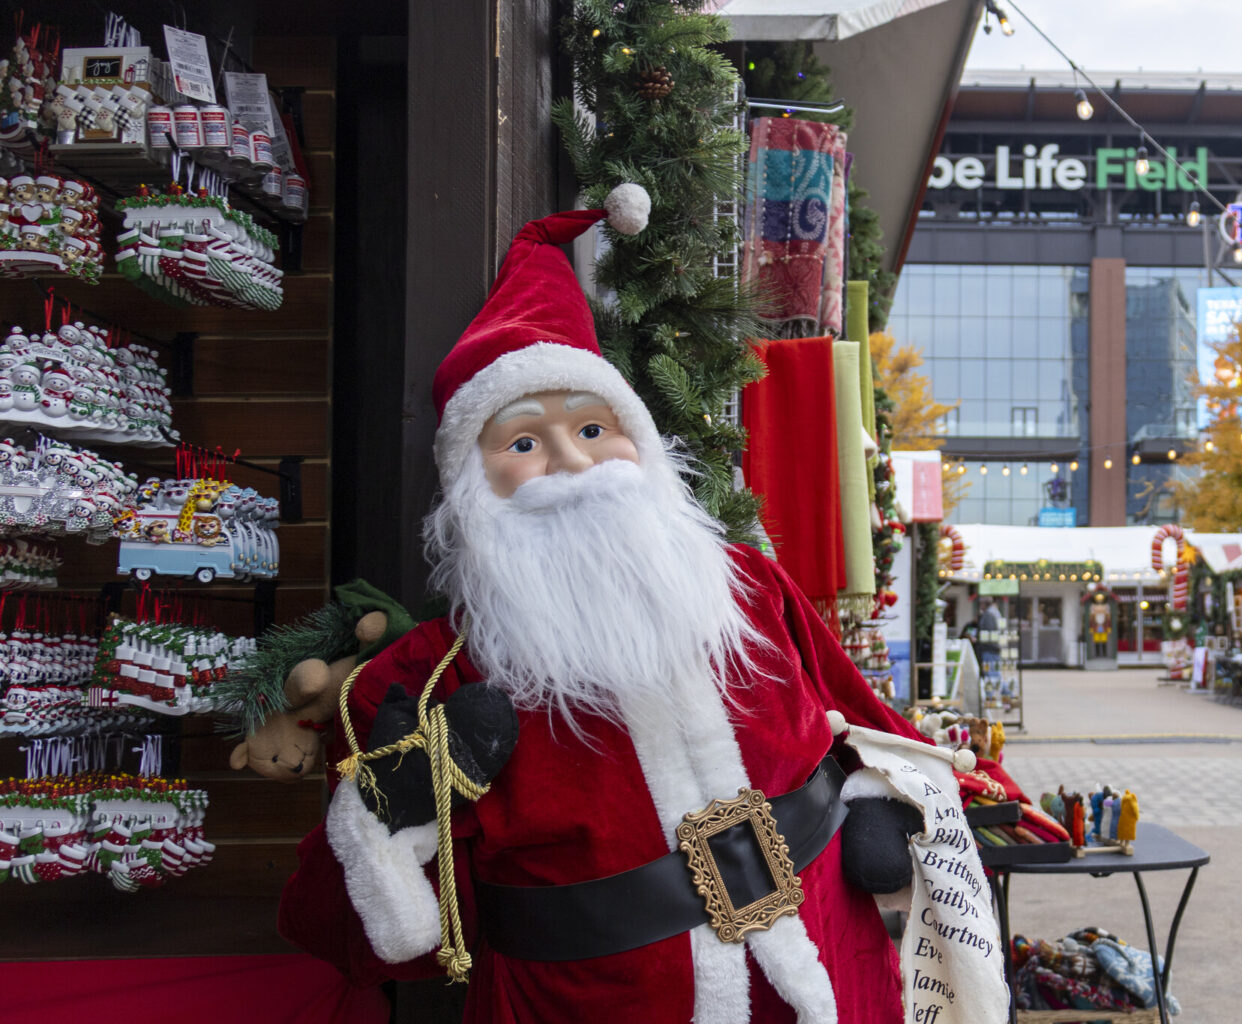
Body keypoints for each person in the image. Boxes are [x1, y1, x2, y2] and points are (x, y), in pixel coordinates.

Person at [242, 193, 999, 1021]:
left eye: (595, 430)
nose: (573, 462)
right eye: (524, 442)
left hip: (829, 978)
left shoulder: (742, 586)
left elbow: (855, 717)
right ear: (472, 489)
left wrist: (872, 805)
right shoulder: (426, 679)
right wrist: (398, 808)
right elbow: (344, 934)